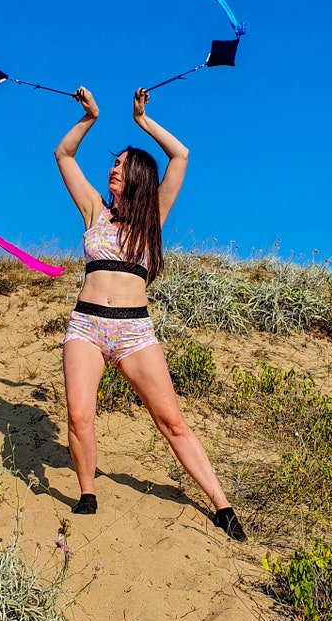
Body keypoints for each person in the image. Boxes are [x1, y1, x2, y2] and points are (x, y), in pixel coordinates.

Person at [53, 85, 246, 541]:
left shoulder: (152, 216)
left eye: (120, 164)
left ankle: (222, 505)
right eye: (113, 163)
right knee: (79, 415)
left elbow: (180, 155)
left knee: (171, 421)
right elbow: (63, 155)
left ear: (138, 175)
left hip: (134, 332)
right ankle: (87, 493)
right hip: (86, 325)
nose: (112, 169)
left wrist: (142, 120)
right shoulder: (93, 211)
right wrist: (89, 118)